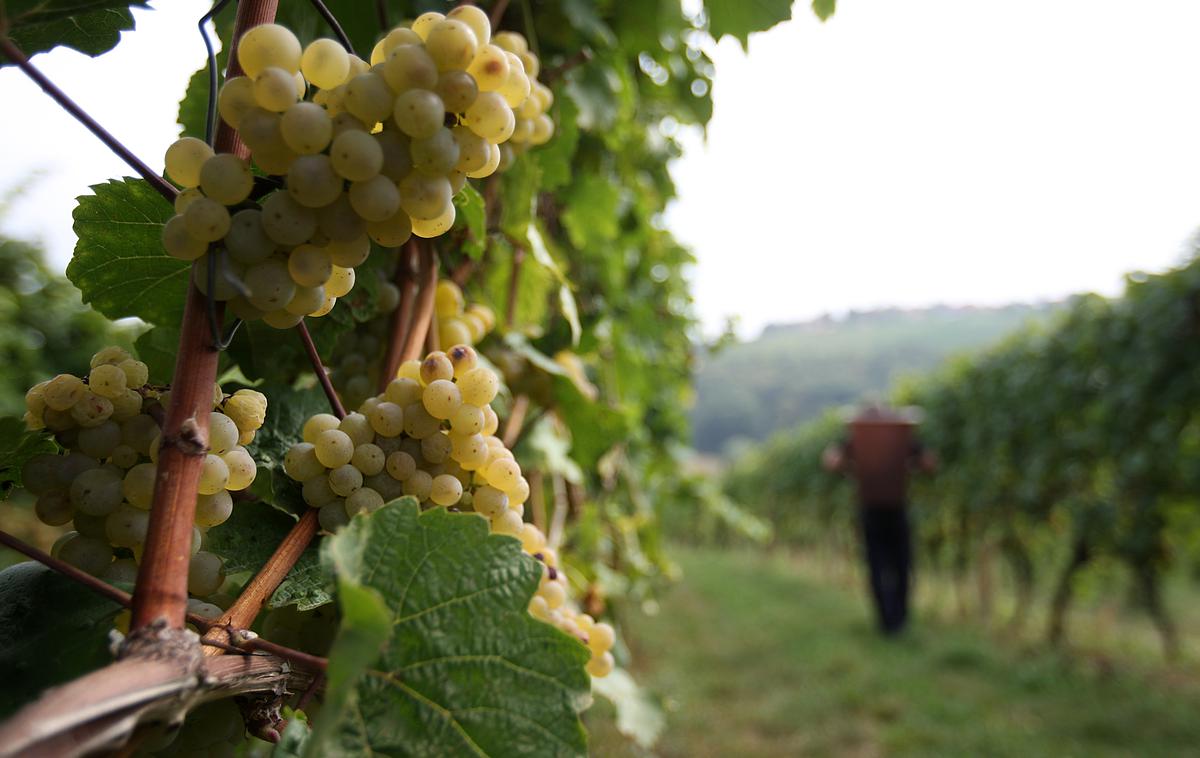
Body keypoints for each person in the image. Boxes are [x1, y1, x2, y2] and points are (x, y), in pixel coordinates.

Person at [822, 404, 936, 635]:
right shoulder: (868, 439)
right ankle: (893, 622)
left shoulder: (869, 439)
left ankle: (892, 622)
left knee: (886, 565)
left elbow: (830, 461)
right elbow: (930, 462)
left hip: (886, 509)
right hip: (880, 510)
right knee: (892, 565)